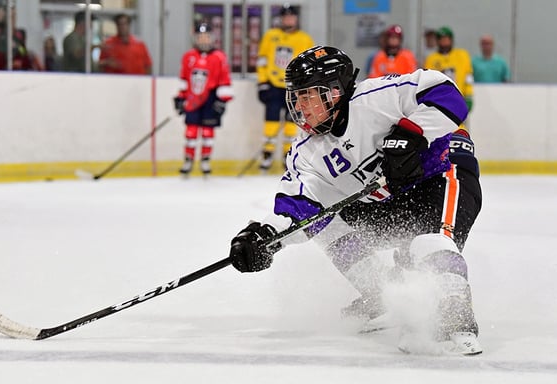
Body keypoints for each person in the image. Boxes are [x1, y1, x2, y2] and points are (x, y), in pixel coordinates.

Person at [228, 45, 483, 356]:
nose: (300, 105)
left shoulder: (377, 97)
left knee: (426, 245)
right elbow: (299, 208)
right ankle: (382, 293)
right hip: (390, 200)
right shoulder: (306, 152)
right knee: (322, 222)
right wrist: (265, 238)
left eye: (309, 95)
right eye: (296, 96)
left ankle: (455, 313)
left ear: (335, 92)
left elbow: (446, 93)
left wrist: (414, 133)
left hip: (443, 172)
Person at [256, 4, 314, 172]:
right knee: (271, 122)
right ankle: (267, 154)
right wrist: (262, 83)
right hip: (273, 85)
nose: (288, 20)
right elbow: (262, 60)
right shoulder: (271, 36)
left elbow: (309, 66)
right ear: (281, 19)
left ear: (296, 19)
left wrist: (305, 88)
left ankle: (286, 156)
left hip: (294, 88)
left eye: (291, 17)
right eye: (285, 17)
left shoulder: (305, 39)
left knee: (291, 124)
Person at [174, 23, 233, 177]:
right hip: (193, 98)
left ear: (212, 38)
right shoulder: (189, 56)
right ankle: (188, 160)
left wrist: (222, 100)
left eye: (206, 37)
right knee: (191, 131)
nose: (203, 40)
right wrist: (181, 98)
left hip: (211, 99)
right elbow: (184, 79)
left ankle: (205, 160)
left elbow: (224, 79)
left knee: (208, 131)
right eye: (200, 37)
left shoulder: (219, 57)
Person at [424, 26, 474, 123]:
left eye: (447, 39)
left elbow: (468, 77)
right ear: (438, 41)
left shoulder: (462, 55)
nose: (445, 42)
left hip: (459, 99)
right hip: (440, 102)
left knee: (461, 131)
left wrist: (469, 95)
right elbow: (428, 82)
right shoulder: (431, 59)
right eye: (442, 40)